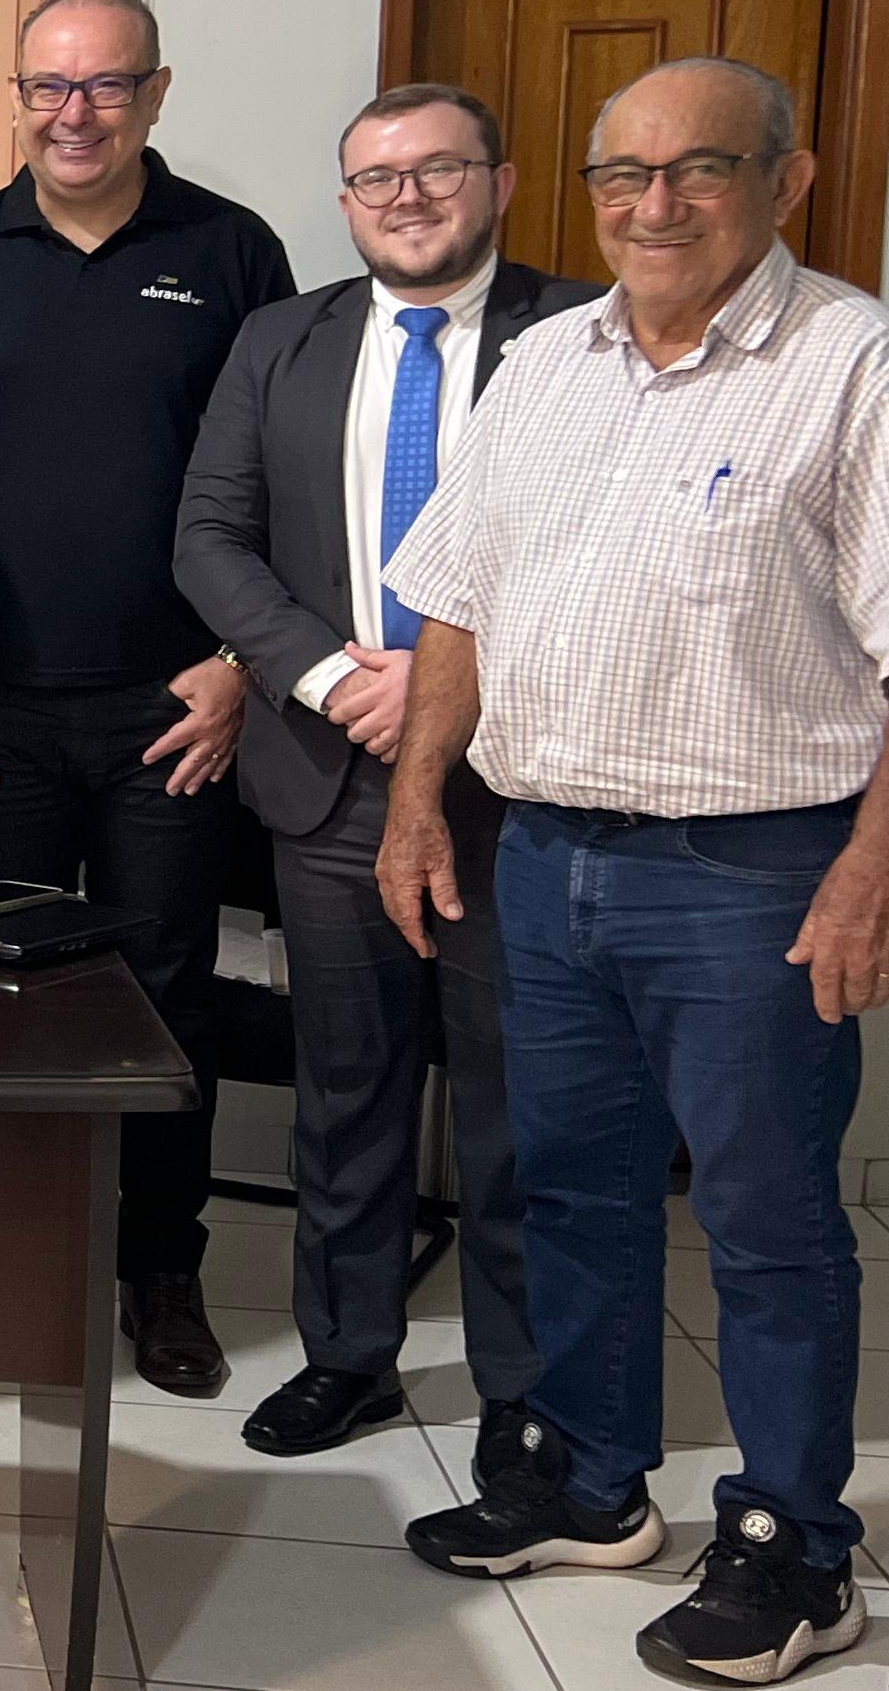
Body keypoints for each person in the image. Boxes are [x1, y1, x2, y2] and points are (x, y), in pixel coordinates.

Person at [383, 56, 889, 1689]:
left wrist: (888, 863)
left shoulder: (861, 369)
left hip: (754, 873)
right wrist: (419, 799)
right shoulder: (546, 366)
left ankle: (795, 1547)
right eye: (624, 175)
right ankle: (592, 1485)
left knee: (765, 1217)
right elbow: (458, 602)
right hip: (548, 855)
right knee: (570, 1187)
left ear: (786, 183)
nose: (656, 206)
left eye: (699, 170)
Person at [0, 0, 294, 1397]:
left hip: (175, 714)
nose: (76, 113)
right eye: (49, 87)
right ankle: (3, 1255)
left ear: (156, 94)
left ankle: (159, 1268)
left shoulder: (232, 253)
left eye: (108, 85)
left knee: (166, 997)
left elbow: (287, 481)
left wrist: (241, 669)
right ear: (17, 98)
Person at [176, 85, 588, 1474]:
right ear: (346, 200)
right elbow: (210, 538)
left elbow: (613, 554)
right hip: (332, 774)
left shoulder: (582, 338)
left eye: (437, 169)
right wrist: (326, 676)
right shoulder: (280, 339)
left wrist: (451, 683)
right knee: (345, 1091)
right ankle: (347, 1357)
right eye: (375, 178)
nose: (406, 198)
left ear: (501, 180)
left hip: (514, 785)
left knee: (516, 1105)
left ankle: (525, 1388)